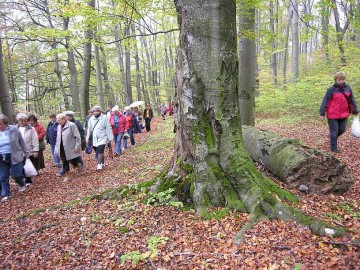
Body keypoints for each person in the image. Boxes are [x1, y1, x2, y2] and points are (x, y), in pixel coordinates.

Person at [320, 71, 358, 153]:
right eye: (339, 79)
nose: (341, 81)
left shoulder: (348, 88)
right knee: (334, 131)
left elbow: (351, 100)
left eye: (342, 79)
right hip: (332, 114)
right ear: (336, 80)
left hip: (344, 114)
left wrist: (355, 110)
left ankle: (332, 138)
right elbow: (325, 101)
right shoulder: (331, 89)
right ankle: (334, 148)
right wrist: (322, 113)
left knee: (342, 129)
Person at [0, 114, 28, 202]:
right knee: (3, 177)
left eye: (0, 123)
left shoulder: (14, 129)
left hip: (15, 155)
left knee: (16, 174)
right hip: (1, 157)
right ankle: (6, 194)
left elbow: (21, 141)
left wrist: (26, 152)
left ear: (5, 122)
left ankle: (21, 183)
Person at [87, 106, 114, 171]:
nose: (96, 112)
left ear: (100, 111)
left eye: (97, 111)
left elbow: (107, 128)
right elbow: (89, 129)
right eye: (94, 111)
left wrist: (110, 138)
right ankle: (102, 163)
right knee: (98, 151)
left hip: (103, 137)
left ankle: (99, 165)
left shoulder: (104, 118)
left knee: (100, 150)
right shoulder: (91, 119)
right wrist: (87, 138)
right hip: (94, 138)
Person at [17, 113, 39, 186]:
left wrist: (35, 150)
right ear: (18, 121)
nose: (23, 122)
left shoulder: (31, 129)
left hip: (29, 150)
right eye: (21, 121)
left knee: (28, 165)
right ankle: (22, 177)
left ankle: (28, 180)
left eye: (24, 121)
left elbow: (35, 140)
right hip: (18, 151)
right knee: (20, 166)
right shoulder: (15, 129)